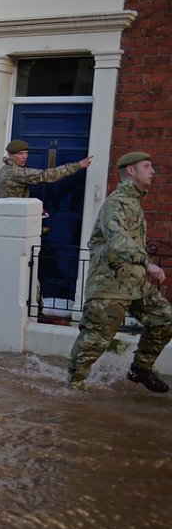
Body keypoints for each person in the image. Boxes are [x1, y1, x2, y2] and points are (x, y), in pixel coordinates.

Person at [67, 152, 171, 393]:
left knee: (164, 318)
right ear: (131, 171)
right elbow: (118, 241)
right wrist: (149, 264)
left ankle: (140, 368)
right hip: (109, 285)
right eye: (147, 166)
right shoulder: (117, 202)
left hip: (134, 284)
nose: (153, 171)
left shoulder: (134, 202)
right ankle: (72, 392)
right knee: (94, 342)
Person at [0, 139, 92, 200]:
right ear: (10, 155)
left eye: (26, 153)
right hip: (11, 219)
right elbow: (45, 175)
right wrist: (78, 165)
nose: (25, 157)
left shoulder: (6, 167)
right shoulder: (16, 172)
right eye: (20, 153)